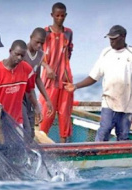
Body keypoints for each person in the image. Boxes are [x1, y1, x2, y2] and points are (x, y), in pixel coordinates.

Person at [64, 25, 132, 141]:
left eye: (114, 38)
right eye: (110, 38)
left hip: (127, 105)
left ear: (123, 37)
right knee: (104, 131)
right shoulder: (105, 53)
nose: (112, 41)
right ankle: (96, 156)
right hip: (108, 102)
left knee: (123, 135)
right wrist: (76, 86)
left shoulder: (130, 53)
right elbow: (94, 77)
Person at [0, 40, 41, 128]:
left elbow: (30, 91)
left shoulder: (27, 70)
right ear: (10, 51)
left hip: (17, 122)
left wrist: (37, 107)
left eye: (22, 55)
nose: (19, 58)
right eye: (17, 54)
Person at [39, 2, 74, 143]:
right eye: (57, 16)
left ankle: (63, 145)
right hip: (49, 79)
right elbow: (36, 54)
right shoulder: (44, 32)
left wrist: (63, 68)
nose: (60, 18)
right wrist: (47, 67)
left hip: (65, 79)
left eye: (62, 16)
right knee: (47, 111)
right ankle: (41, 142)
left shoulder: (68, 32)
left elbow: (69, 52)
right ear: (52, 15)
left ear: (65, 16)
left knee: (65, 112)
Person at [23, 27, 54, 139]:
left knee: (31, 130)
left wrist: (47, 99)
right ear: (31, 38)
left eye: (42, 43)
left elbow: (37, 78)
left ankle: (29, 153)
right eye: (37, 42)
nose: (39, 45)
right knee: (24, 127)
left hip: (30, 94)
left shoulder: (40, 55)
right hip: (20, 94)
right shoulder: (21, 52)